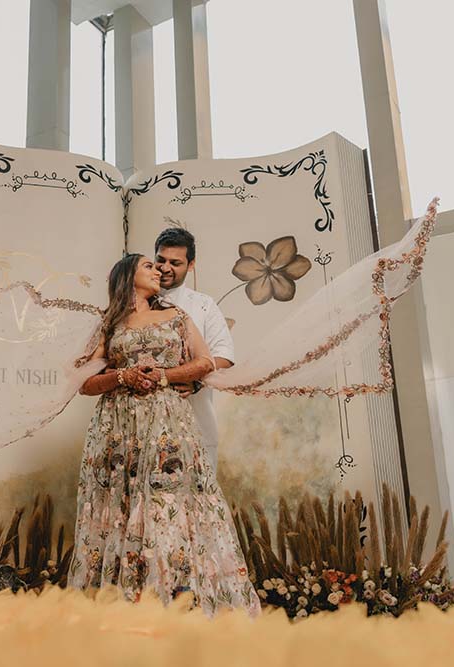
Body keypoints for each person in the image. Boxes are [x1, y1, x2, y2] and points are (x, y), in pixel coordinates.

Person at [66, 254, 260, 618]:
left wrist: (165, 376)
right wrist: (122, 376)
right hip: (119, 429)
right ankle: (123, 605)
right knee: (122, 508)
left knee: (169, 505)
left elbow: (205, 361)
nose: (157, 270)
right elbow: (85, 384)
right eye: (148, 266)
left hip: (168, 425)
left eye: (158, 267)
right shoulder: (108, 324)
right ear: (127, 275)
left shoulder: (177, 316)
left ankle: (180, 604)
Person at [153, 228, 234, 470]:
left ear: (191, 265)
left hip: (195, 420)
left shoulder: (203, 305)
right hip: (144, 425)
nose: (165, 268)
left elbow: (224, 355)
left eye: (175, 263)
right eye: (160, 260)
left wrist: (195, 379)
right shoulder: (136, 303)